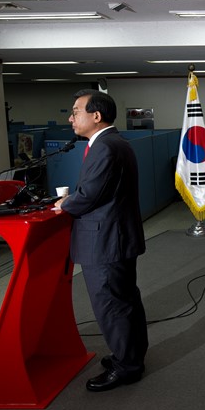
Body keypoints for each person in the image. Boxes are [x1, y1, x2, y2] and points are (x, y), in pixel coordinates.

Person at [55, 89, 148, 392]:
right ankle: (130, 356)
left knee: (112, 305)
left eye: (76, 112)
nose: (71, 118)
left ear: (96, 116)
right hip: (116, 237)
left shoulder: (105, 147)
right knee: (125, 301)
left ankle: (127, 367)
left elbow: (91, 195)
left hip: (105, 241)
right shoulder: (114, 143)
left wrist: (65, 204)